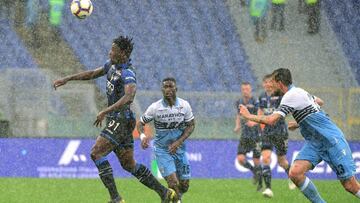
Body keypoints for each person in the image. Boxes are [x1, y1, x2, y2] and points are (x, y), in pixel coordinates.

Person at [53, 36, 176, 203]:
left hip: (121, 120)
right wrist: (67, 79)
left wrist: (106, 110)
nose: (110, 52)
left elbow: (129, 96)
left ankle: (116, 199)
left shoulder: (128, 73)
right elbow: (92, 74)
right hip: (119, 120)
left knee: (96, 153)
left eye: (114, 50)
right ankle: (165, 193)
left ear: (123, 54)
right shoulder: (111, 66)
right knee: (129, 165)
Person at [239, 68, 360, 203]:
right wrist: (299, 122)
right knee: (295, 173)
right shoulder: (299, 91)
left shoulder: (291, 95)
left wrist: (248, 115)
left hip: (331, 140)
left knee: (349, 185)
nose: (269, 85)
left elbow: (271, 120)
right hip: (315, 143)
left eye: (272, 81)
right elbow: (319, 101)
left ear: (280, 83)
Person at [137, 77, 195, 203]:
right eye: (165, 87)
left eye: (170, 86)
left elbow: (191, 125)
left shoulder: (184, 105)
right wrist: (142, 136)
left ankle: (171, 199)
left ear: (176, 89)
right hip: (162, 150)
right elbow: (140, 123)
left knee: (184, 185)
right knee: (173, 183)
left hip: (179, 149)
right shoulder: (155, 108)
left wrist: (178, 142)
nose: (168, 89)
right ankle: (176, 200)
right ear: (162, 90)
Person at [257, 74, 295, 198]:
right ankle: (268, 189)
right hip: (267, 132)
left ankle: (291, 176)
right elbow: (260, 112)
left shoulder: (280, 95)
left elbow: (288, 108)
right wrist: (260, 128)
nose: (268, 84)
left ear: (273, 83)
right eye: (265, 82)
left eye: (270, 82)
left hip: (280, 132)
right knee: (266, 158)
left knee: (282, 161)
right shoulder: (262, 97)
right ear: (263, 84)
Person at [234, 82, 262, 190]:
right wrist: (237, 126)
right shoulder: (239, 102)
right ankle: (254, 171)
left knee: (256, 160)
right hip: (245, 135)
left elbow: (260, 115)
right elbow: (238, 115)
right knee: (240, 159)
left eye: (247, 89)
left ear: (250, 90)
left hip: (256, 135)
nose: (245, 91)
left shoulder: (256, 101)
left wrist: (254, 123)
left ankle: (260, 184)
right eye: (243, 89)